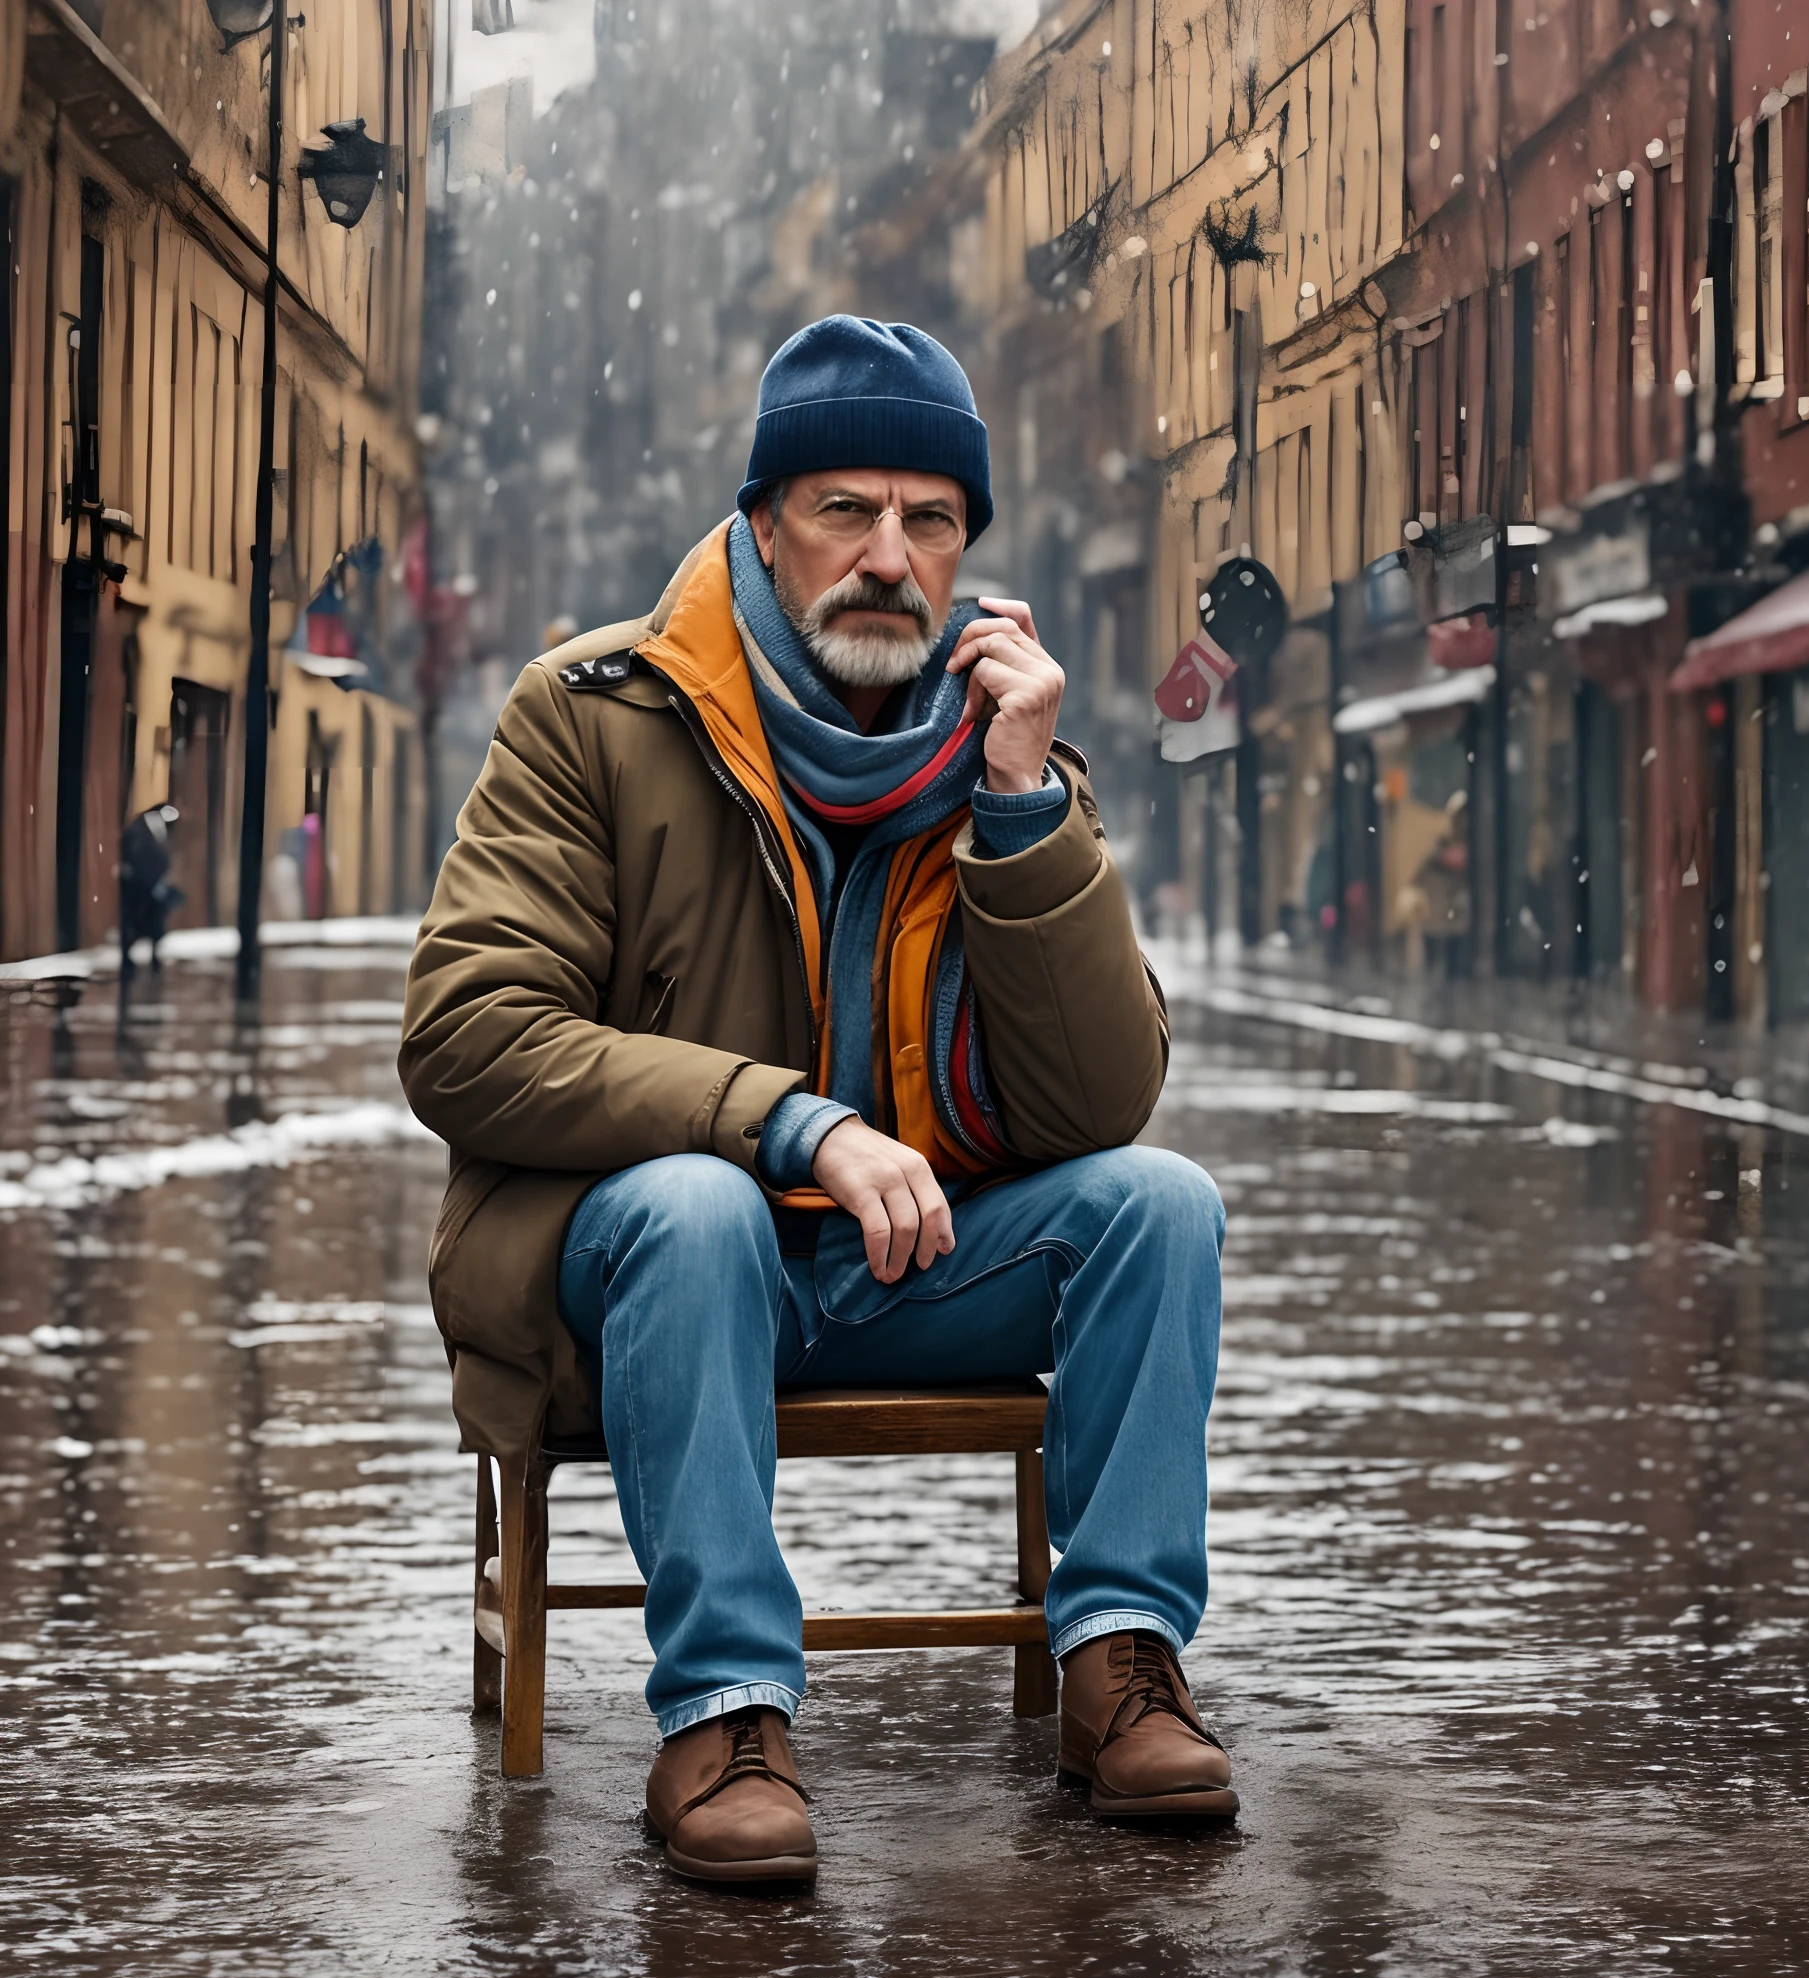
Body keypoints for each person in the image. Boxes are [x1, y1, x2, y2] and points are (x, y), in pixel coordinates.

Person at [400, 318, 1234, 1888]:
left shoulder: (1006, 751)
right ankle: (723, 1712)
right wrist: (791, 1122)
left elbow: (1098, 1101)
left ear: (969, 549)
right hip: (643, 1272)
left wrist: (1022, 809)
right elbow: (466, 1033)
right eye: (846, 510)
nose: (888, 559)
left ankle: (1119, 1670)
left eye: (930, 520)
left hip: (898, 1276)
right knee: (702, 1204)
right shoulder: (593, 713)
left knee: (1160, 1207)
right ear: (765, 524)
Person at [116, 804, 183, 979]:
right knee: (135, 923)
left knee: (155, 922)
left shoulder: (161, 829)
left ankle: (153, 957)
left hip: (155, 886)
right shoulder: (137, 830)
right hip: (139, 887)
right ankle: (128, 958)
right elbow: (134, 859)